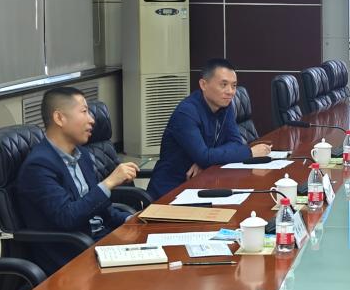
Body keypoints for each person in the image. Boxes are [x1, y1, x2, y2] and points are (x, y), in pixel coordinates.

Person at [16, 87, 139, 275]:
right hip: (74, 255)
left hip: (101, 242)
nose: (92, 119)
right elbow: (67, 217)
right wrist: (109, 183)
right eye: (84, 111)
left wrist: (130, 220)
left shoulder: (82, 155)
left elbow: (101, 210)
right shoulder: (39, 166)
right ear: (59, 118)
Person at [148, 58, 271, 199]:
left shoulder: (225, 106)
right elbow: (204, 156)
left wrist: (207, 161)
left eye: (234, 86)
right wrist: (249, 152)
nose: (230, 92)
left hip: (202, 184)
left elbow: (235, 143)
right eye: (223, 85)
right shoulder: (186, 113)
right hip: (170, 191)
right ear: (203, 84)